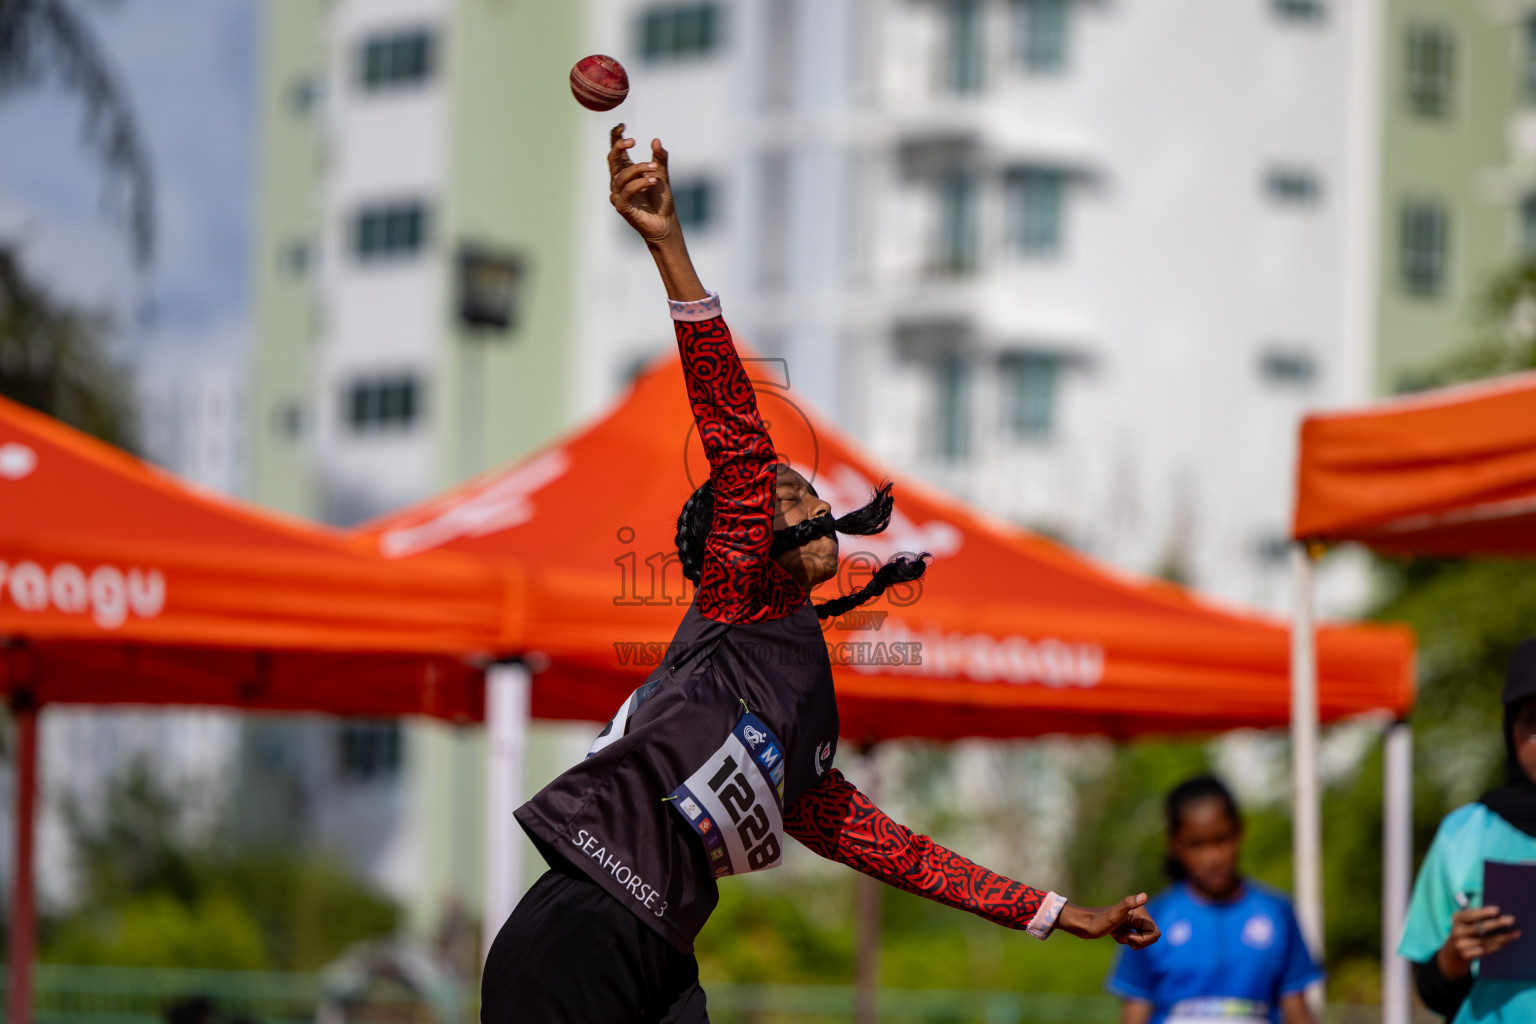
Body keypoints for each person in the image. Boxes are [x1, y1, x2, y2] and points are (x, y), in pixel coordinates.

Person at [478, 125, 1161, 1024]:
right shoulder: (737, 604)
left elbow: (901, 853)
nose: (799, 503)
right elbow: (729, 417)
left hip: (661, 952)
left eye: (802, 490)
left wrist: (1054, 912)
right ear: (737, 540)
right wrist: (667, 243)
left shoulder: (807, 715)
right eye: (773, 497)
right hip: (578, 928)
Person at [1106, 776, 1321, 1024]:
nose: (1212, 857)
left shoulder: (1277, 912)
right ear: (1175, 844)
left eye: (1221, 840)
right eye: (1196, 844)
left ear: (1240, 832)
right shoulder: (1152, 917)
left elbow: (1296, 1006)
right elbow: (1135, 1010)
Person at [1400, 639, 1536, 1022]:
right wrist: (1453, 956)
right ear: (1509, 727)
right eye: (1533, 719)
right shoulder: (1464, 834)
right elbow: (1430, 991)